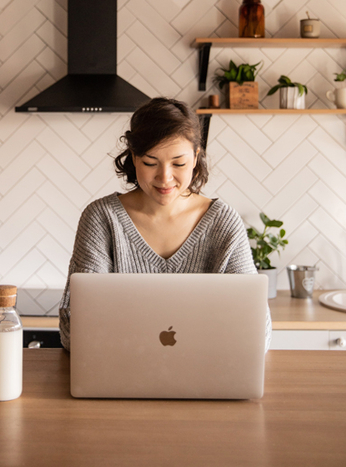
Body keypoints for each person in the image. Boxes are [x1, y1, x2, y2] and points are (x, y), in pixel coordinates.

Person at [58, 97, 271, 351]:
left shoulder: (223, 223)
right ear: (134, 158)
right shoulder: (102, 219)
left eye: (178, 163)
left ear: (195, 158)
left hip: (205, 382)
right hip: (120, 382)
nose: (164, 177)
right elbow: (73, 331)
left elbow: (257, 332)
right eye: (150, 163)